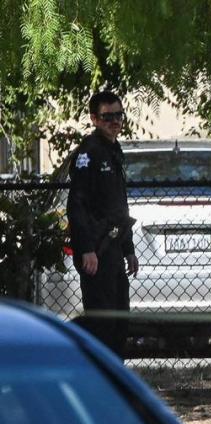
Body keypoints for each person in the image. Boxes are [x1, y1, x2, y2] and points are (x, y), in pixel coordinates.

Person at [66, 90, 138, 357]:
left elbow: (119, 206)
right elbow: (76, 205)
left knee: (120, 320)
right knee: (102, 325)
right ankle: (97, 382)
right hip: (97, 250)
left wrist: (129, 249)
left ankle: (114, 382)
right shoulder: (89, 153)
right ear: (94, 119)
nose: (115, 121)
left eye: (118, 115)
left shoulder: (113, 151)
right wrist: (86, 249)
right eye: (108, 117)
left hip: (115, 249)